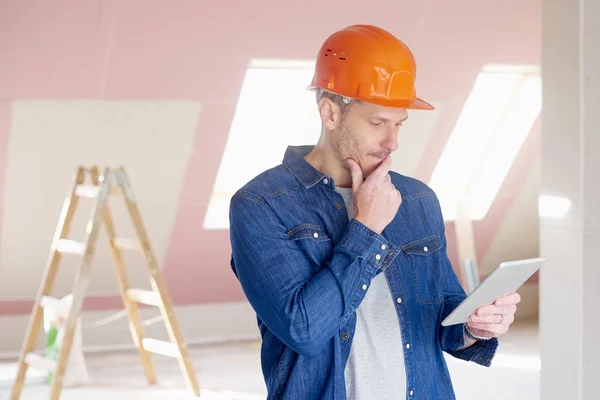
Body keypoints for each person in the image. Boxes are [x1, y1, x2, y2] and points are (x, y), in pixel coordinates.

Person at [228, 24, 521, 400]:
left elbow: (443, 321)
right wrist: (366, 227)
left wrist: (476, 327)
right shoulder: (262, 204)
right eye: (377, 122)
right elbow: (304, 330)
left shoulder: (416, 200)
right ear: (330, 112)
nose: (392, 142)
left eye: (399, 124)